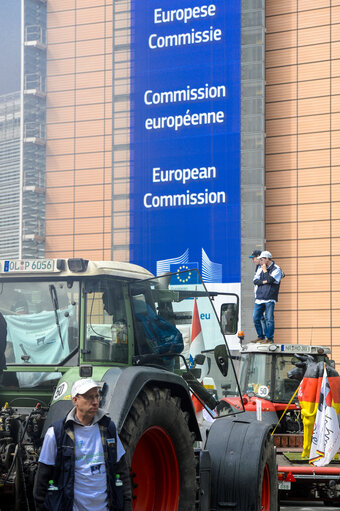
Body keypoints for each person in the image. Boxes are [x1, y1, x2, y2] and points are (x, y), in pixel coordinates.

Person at [33, 378, 132, 511]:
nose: (95, 402)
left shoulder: (108, 428)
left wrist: (127, 505)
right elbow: (41, 482)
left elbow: (122, 471)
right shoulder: (56, 434)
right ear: (75, 400)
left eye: (97, 396)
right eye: (89, 397)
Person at [252, 250, 282, 343]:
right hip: (260, 297)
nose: (260, 261)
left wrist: (265, 271)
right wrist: (264, 281)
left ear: (267, 259)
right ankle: (260, 336)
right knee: (255, 317)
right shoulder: (260, 268)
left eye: (262, 259)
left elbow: (270, 279)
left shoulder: (276, 269)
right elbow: (255, 281)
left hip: (269, 297)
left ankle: (269, 338)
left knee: (269, 319)